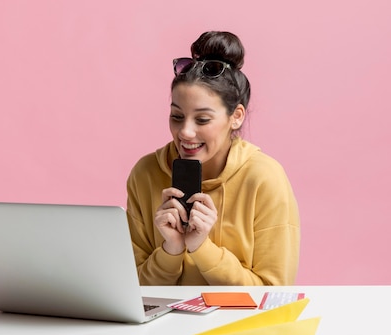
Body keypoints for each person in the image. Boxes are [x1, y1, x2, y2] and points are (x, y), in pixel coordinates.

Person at [125, 31, 300, 285]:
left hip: (239, 325)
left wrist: (202, 248)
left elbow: (271, 293)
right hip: (162, 324)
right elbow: (130, 289)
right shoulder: (145, 173)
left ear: (236, 116)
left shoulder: (264, 178)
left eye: (203, 119)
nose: (185, 131)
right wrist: (171, 250)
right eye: (176, 116)